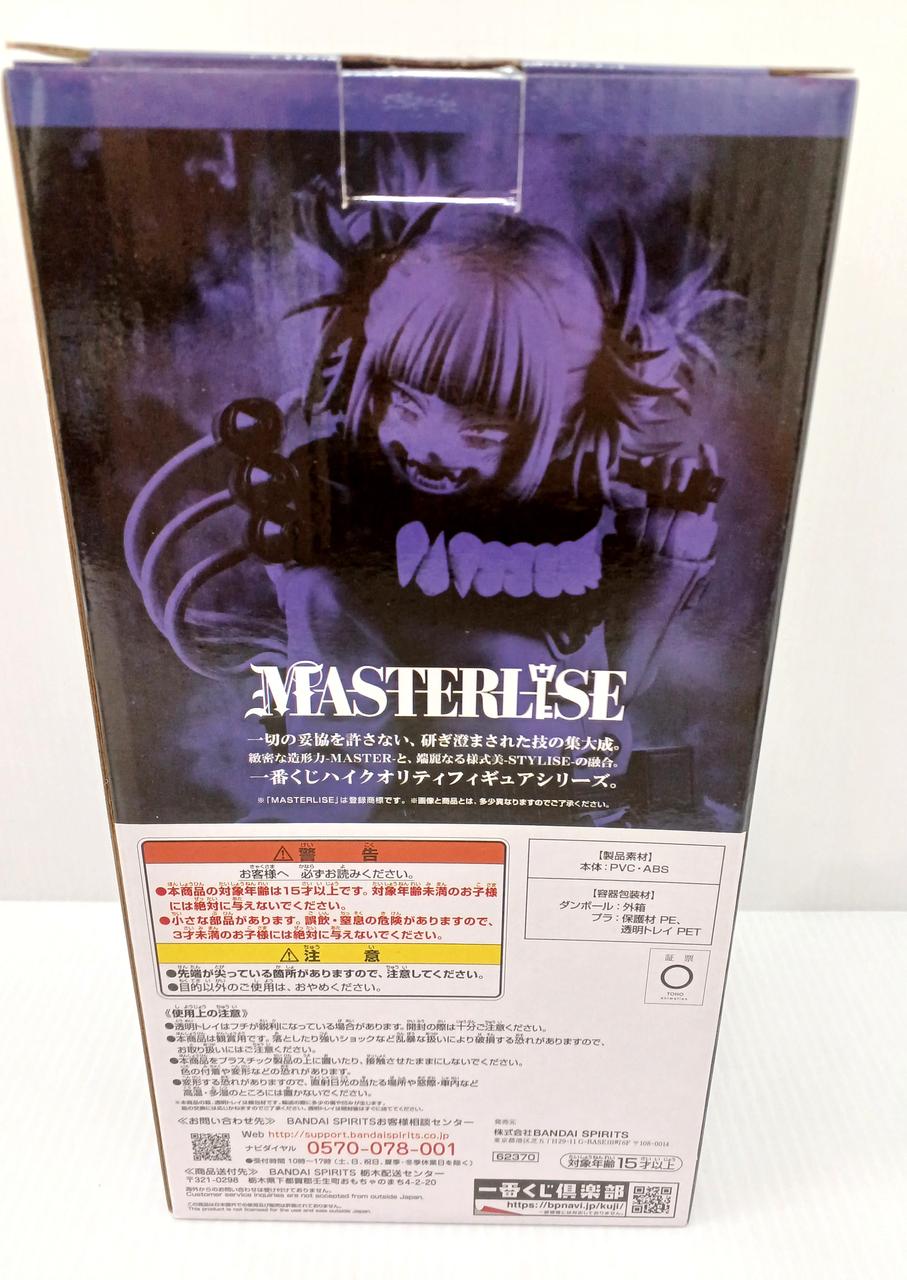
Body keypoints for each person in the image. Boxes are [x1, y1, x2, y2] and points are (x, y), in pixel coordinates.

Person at [125, 190, 733, 823]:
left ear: (565, 422)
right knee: (319, 595)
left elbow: (613, 685)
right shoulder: (341, 489)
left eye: (483, 430)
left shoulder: (577, 522)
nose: (432, 446)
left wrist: (669, 559)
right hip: (371, 791)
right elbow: (320, 635)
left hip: (534, 791)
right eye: (406, 405)